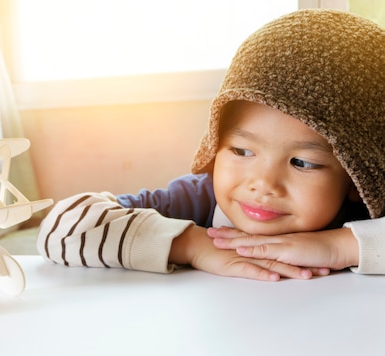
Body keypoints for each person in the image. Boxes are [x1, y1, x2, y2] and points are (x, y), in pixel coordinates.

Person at [36, 8, 385, 281]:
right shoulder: (197, 200)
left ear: (358, 178)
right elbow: (61, 227)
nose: (262, 184)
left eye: (302, 162)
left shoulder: (363, 215)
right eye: (241, 151)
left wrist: (343, 246)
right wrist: (191, 245)